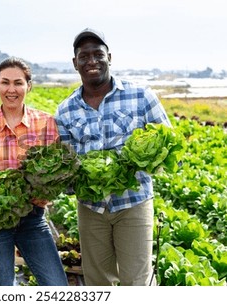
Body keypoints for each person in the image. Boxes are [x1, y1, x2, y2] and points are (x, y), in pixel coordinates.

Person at [55, 28, 172, 286]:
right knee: (98, 281)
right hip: (91, 208)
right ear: (75, 63)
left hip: (133, 204)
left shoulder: (142, 96)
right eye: (84, 56)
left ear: (110, 57)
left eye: (98, 54)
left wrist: (144, 161)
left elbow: (168, 143)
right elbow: (67, 162)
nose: (92, 61)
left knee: (137, 281)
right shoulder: (64, 110)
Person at [0, 57, 68, 286]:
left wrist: (48, 195)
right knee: (4, 288)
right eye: (5, 82)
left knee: (56, 285)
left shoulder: (46, 123)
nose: (11, 89)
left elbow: (59, 171)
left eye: (18, 83)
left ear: (28, 86)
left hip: (32, 219)